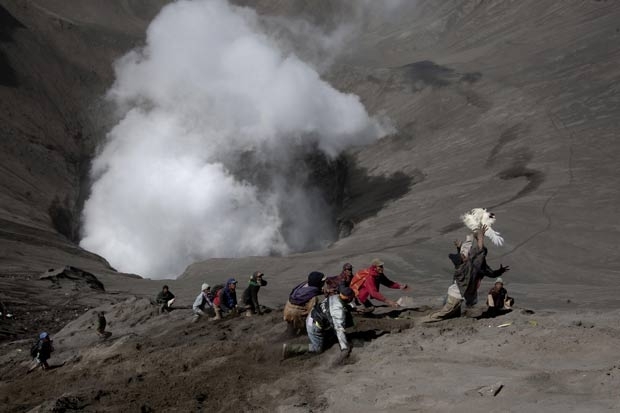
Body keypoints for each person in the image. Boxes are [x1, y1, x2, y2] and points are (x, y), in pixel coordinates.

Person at [426, 226, 510, 322]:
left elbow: (482, 259)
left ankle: (450, 316)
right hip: (458, 291)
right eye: (463, 256)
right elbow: (479, 251)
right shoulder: (470, 264)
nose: (465, 255)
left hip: (462, 290)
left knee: (452, 308)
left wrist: (467, 243)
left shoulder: (473, 264)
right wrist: (480, 237)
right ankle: (424, 320)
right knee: (446, 310)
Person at [282, 286, 355, 363]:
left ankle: (326, 336)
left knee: (345, 317)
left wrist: (352, 308)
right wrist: (344, 348)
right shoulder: (338, 312)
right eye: (352, 297)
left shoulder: (335, 297)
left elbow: (340, 305)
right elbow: (339, 329)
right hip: (314, 325)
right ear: (349, 298)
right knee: (317, 349)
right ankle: (290, 349)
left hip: (313, 316)